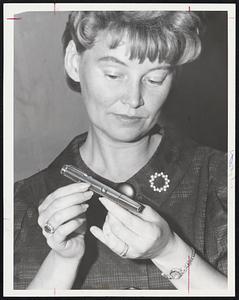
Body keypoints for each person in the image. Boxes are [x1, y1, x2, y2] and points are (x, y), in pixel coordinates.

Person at [14, 11, 227, 290]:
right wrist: (62, 261)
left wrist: (170, 251)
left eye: (155, 79)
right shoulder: (20, 206)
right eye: (114, 74)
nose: (134, 99)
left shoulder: (221, 180)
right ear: (74, 62)